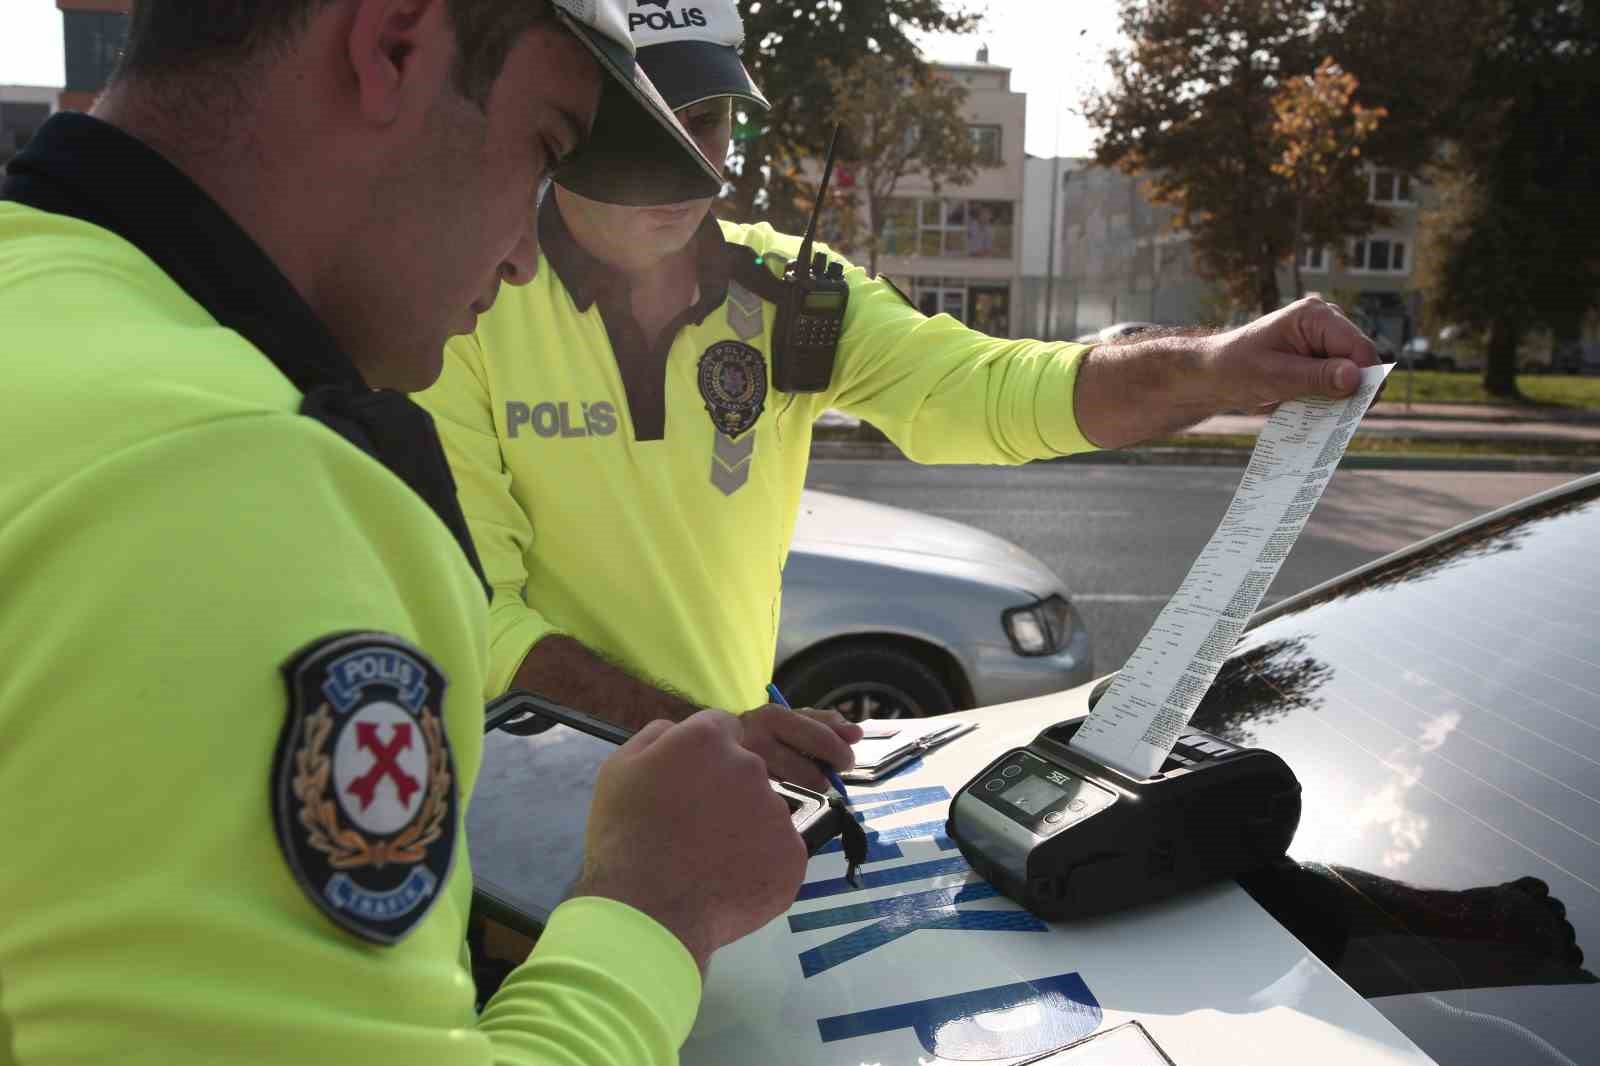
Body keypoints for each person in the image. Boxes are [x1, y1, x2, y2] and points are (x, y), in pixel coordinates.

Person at [0, 1, 809, 1063]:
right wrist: (653, 906)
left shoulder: (41, 303)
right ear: (392, 46)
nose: (524, 256)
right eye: (545, 148)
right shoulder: (248, 479)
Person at [417, 0, 1381, 792]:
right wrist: (712, 735)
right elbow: (477, 620)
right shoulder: (466, 297)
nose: (688, 171)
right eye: (642, 133)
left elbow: (991, 393)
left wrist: (1217, 366)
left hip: (719, 780)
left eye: (706, 126)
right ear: (567, 119)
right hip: (528, 786)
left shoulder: (789, 293)